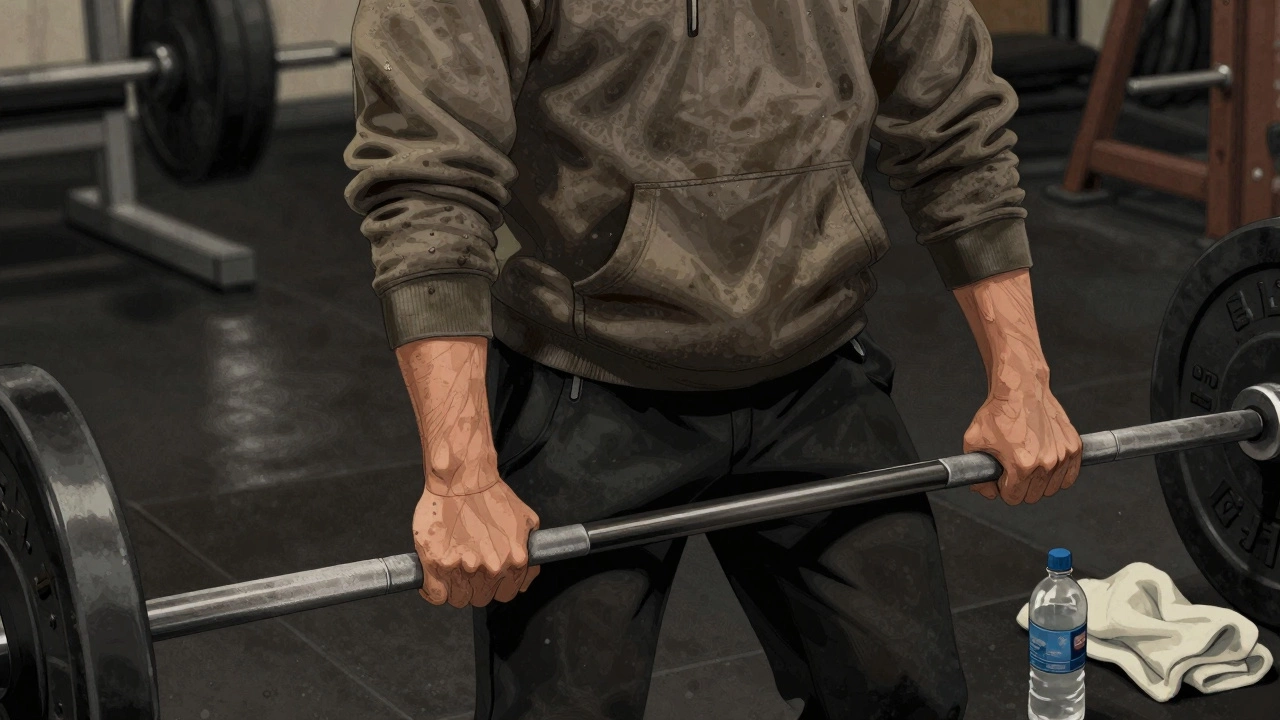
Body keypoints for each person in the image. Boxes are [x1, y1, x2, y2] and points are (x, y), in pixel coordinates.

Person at [343, 1, 1083, 718]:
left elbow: (955, 131)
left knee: (907, 696)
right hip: (584, 375)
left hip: (815, 363)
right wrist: (461, 472)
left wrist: (1023, 379)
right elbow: (427, 182)